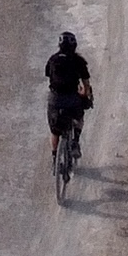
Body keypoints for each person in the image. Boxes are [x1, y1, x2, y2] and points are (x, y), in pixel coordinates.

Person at [43, 30, 95, 180]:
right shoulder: (79, 61)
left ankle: (55, 159)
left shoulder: (52, 60)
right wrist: (85, 96)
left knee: (55, 130)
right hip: (72, 99)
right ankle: (75, 142)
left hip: (55, 100)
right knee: (79, 117)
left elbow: (49, 77)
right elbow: (85, 85)